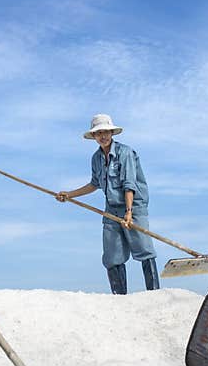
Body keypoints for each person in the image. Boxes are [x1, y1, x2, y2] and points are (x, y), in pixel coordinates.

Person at [55, 114, 159, 294]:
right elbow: (94, 183)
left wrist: (128, 212)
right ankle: (119, 296)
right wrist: (70, 195)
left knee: (143, 248)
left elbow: (129, 184)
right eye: (98, 133)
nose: (102, 136)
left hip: (133, 206)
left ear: (112, 133)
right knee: (112, 255)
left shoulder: (125, 153)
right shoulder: (96, 158)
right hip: (111, 208)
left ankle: (154, 293)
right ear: (94, 137)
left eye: (106, 132)